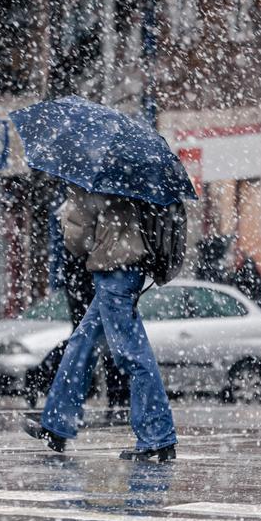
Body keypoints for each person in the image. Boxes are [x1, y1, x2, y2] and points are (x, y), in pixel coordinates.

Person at [26, 185, 177, 462]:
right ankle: (57, 426)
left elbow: (78, 239)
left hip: (113, 269)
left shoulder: (94, 175)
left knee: (132, 354)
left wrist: (64, 221)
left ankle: (158, 435)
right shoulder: (134, 173)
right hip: (130, 268)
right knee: (82, 343)